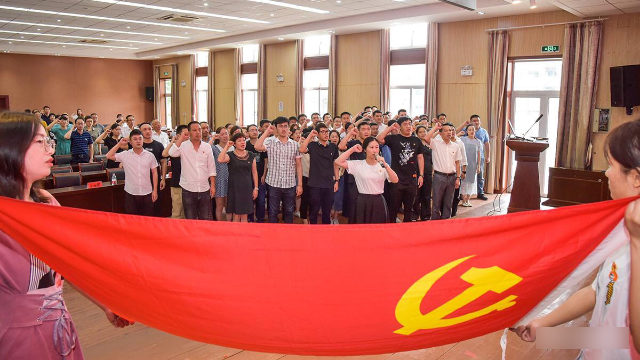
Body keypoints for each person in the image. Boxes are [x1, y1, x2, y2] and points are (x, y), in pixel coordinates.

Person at [0, 112, 131, 360]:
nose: (50, 148)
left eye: (48, 141)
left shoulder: (47, 201)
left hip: (57, 329)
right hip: (14, 339)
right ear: (9, 148)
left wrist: (105, 303)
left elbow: (66, 264)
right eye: (40, 142)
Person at [514, 120, 640, 359]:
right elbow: (600, 294)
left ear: (635, 177)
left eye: (610, 165)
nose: (606, 173)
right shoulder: (623, 232)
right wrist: (546, 326)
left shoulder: (635, 240)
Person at [334, 137, 399, 224]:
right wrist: (352, 149)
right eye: (371, 147)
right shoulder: (358, 164)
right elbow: (338, 161)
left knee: (378, 230)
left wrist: (386, 165)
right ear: (365, 150)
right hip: (362, 201)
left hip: (378, 201)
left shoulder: (382, 165)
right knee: (362, 229)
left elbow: (395, 180)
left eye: (376, 147)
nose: (374, 150)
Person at [376, 117, 425, 223]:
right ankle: (391, 228)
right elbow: (379, 139)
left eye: (410, 124)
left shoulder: (416, 140)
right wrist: (390, 128)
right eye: (405, 124)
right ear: (399, 127)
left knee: (409, 208)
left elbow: (420, 158)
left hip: (412, 179)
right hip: (396, 179)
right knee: (393, 207)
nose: (408, 126)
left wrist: (421, 175)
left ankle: (406, 229)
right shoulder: (394, 138)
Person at [255, 117, 303, 224]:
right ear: (276, 128)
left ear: (289, 128)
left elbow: (299, 166)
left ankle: (287, 236)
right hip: (273, 183)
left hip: (290, 184)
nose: (283, 129)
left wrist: (299, 184)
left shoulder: (295, 145)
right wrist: (267, 131)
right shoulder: (270, 141)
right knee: (273, 211)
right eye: (280, 126)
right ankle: (273, 236)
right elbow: (257, 146)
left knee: (289, 211)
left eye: (285, 126)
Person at [168, 121, 216, 220]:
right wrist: (181, 138)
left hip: (204, 188)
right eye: (194, 130)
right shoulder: (183, 146)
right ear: (189, 133)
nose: (198, 132)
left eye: (199, 130)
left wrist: (213, 185)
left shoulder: (206, 147)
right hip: (188, 189)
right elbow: (172, 153)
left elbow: (211, 167)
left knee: (205, 218)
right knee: (190, 218)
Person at [106, 130, 158, 216]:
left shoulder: (150, 155)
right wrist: (119, 143)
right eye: (135, 139)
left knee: (148, 218)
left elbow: (154, 173)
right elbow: (108, 156)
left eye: (140, 139)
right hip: (131, 193)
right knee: (132, 219)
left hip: (147, 192)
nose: (138, 141)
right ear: (130, 142)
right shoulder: (125, 155)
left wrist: (155, 190)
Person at [299, 123, 340, 224]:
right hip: (315, 184)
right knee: (314, 211)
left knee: (327, 211)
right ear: (317, 134)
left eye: (327, 132)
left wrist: (337, 180)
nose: (326, 134)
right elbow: (301, 149)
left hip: (329, 183)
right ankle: (313, 233)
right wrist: (310, 135)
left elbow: (336, 165)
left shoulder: (333, 147)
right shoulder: (312, 145)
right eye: (322, 132)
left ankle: (326, 233)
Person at [423, 122, 462, 220]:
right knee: (436, 202)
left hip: (452, 177)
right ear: (440, 133)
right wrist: (435, 127)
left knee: (448, 202)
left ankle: (446, 222)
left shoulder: (456, 146)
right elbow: (426, 138)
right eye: (445, 130)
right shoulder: (436, 144)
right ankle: (435, 223)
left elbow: (457, 163)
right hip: (439, 176)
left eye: (450, 130)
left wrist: (458, 178)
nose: (449, 132)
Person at [217, 133, 258, 222]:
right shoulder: (230, 155)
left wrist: (256, 188)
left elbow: (254, 172)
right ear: (234, 144)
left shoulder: (251, 155)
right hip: (234, 188)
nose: (242, 142)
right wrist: (227, 146)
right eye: (239, 141)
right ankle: (235, 234)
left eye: (243, 140)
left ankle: (244, 234)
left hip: (247, 188)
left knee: (244, 214)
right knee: (236, 214)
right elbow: (220, 159)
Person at [458, 114, 490, 200]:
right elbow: (457, 137)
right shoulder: (466, 130)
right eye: (474, 120)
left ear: (480, 121)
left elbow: (487, 144)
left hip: (480, 157)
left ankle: (480, 193)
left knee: (479, 175)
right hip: (467, 158)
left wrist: (488, 156)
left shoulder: (484, 132)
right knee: (464, 176)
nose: (476, 122)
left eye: (477, 120)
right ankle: (461, 194)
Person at [162, 125, 188, 219]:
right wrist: (173, 141)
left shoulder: (189, 146)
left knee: (187, 211)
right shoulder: (174, 147)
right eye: (184, 134)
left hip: (189, 184)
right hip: (177, 183)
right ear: (178, 135)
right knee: (177, 211)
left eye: (188, 134)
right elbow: (164, 154)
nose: (187, 136)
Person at [245, 124, 268, 223]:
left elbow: (266, 160)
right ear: (247, 133)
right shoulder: (245, 144)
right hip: (248, 178)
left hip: (260, 177)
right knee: (249, 200)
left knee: (261, 201)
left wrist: (264, 174)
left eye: (255, 130)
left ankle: (260, 219)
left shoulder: (261, 144)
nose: (254, 132)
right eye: (252, 130)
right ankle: (250, 218)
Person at [413, 125, 433, 221]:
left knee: (427, 195)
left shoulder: (430, 144)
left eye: (424, 131)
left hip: (428, 173)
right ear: (417, 134)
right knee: (416, 195)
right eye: (420, 132)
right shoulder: (415, 143)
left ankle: (426, 215)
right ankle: (415, 214)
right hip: (417, 173)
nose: (423, 133)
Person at [211, 127, 232, 221]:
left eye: (226, 133)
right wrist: (212, 138)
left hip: (231, 179)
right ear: (218, 136)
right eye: (222, 134)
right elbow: (205, 148)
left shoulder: (232, 147)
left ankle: (229, 225)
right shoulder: (214, 148)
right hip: (219, 179)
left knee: (229, 205)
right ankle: (219, 224)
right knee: (219, 205)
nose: (225, 136)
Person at [459, 125, 482, 207]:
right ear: (467, 131)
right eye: (469, 130)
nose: (472, 131)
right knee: (464, 183)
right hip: (464, 165)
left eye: (473, 130)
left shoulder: (478, 141)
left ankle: (468, 200)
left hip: (473, 165)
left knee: (471, 183)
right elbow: (454, 139)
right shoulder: (463, 139)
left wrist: (478, 166)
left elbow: (479, 155)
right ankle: (463, 200)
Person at [329, 130, 344, 224]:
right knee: (329, 199)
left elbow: (343, 166)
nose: (334, 138)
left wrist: (338, 176)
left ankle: (335, 218)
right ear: (329, 138)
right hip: (329, 178)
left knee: (338, 198)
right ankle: (329, 217)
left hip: (340, 177)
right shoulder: (326, 149)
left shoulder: (342, 150)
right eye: (332, 136)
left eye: (336, 137)